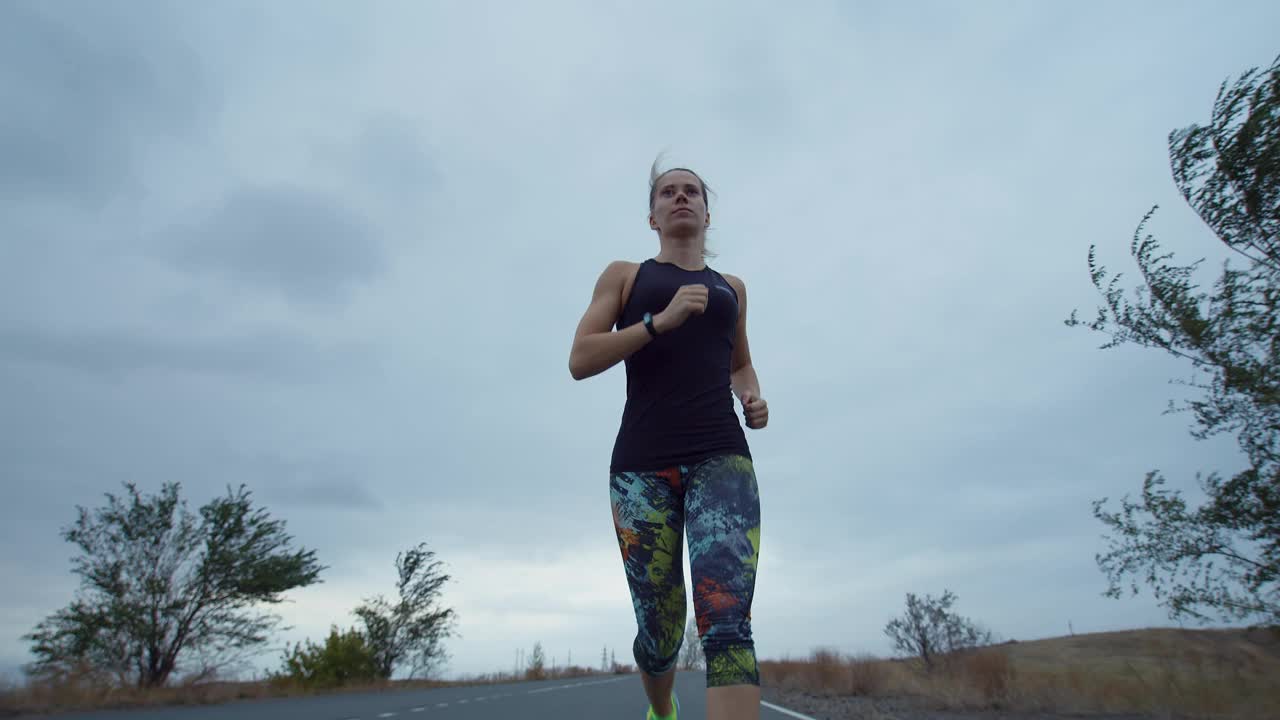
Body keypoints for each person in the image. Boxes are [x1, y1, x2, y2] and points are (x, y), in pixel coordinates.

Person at [568, 160, 769, 720]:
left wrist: (752, 397)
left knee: (726, 617)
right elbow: (580, 359)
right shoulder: (626, 276)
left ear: (707, 212)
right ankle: (662, 709)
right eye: (667, 192)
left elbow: (742, 363)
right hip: (641, 467)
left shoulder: (732, 289)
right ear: (652, 216)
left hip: (722, 458)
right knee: (658, 628)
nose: (680, 197)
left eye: (692, 191)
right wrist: (658, 322)